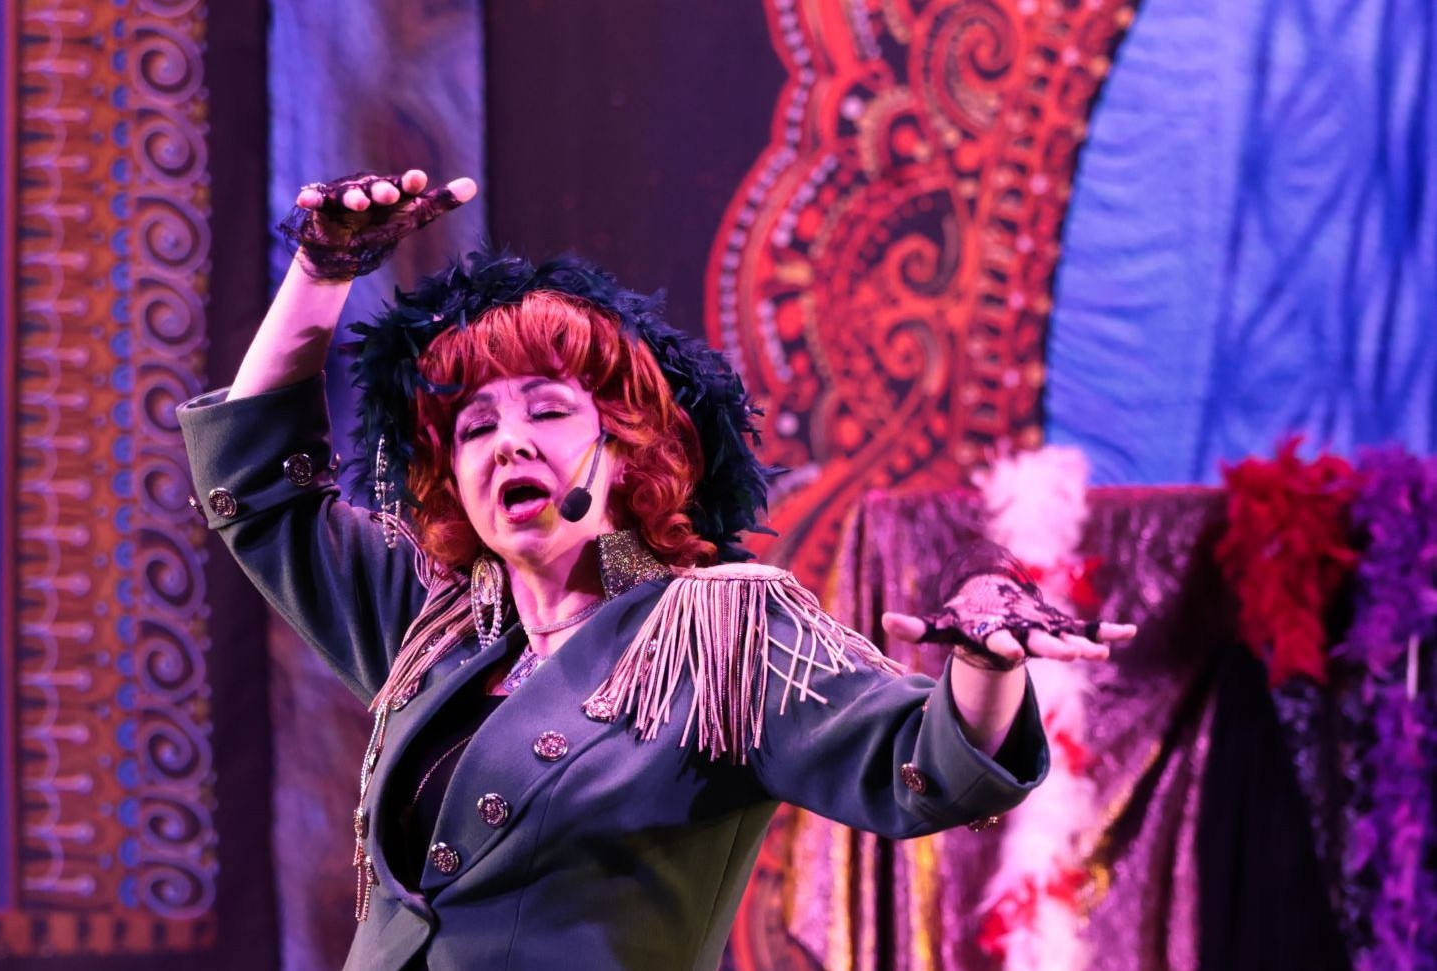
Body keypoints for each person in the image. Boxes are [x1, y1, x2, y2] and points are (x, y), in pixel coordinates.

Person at [177, 170, 1132, 970]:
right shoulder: (436, 630)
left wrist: (986, 664)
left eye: (548, 410)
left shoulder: (717, 636)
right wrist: (323, 271)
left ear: (627, 449)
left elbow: (921, 766)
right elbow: (257, 488)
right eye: (475, 427)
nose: (509, 443)